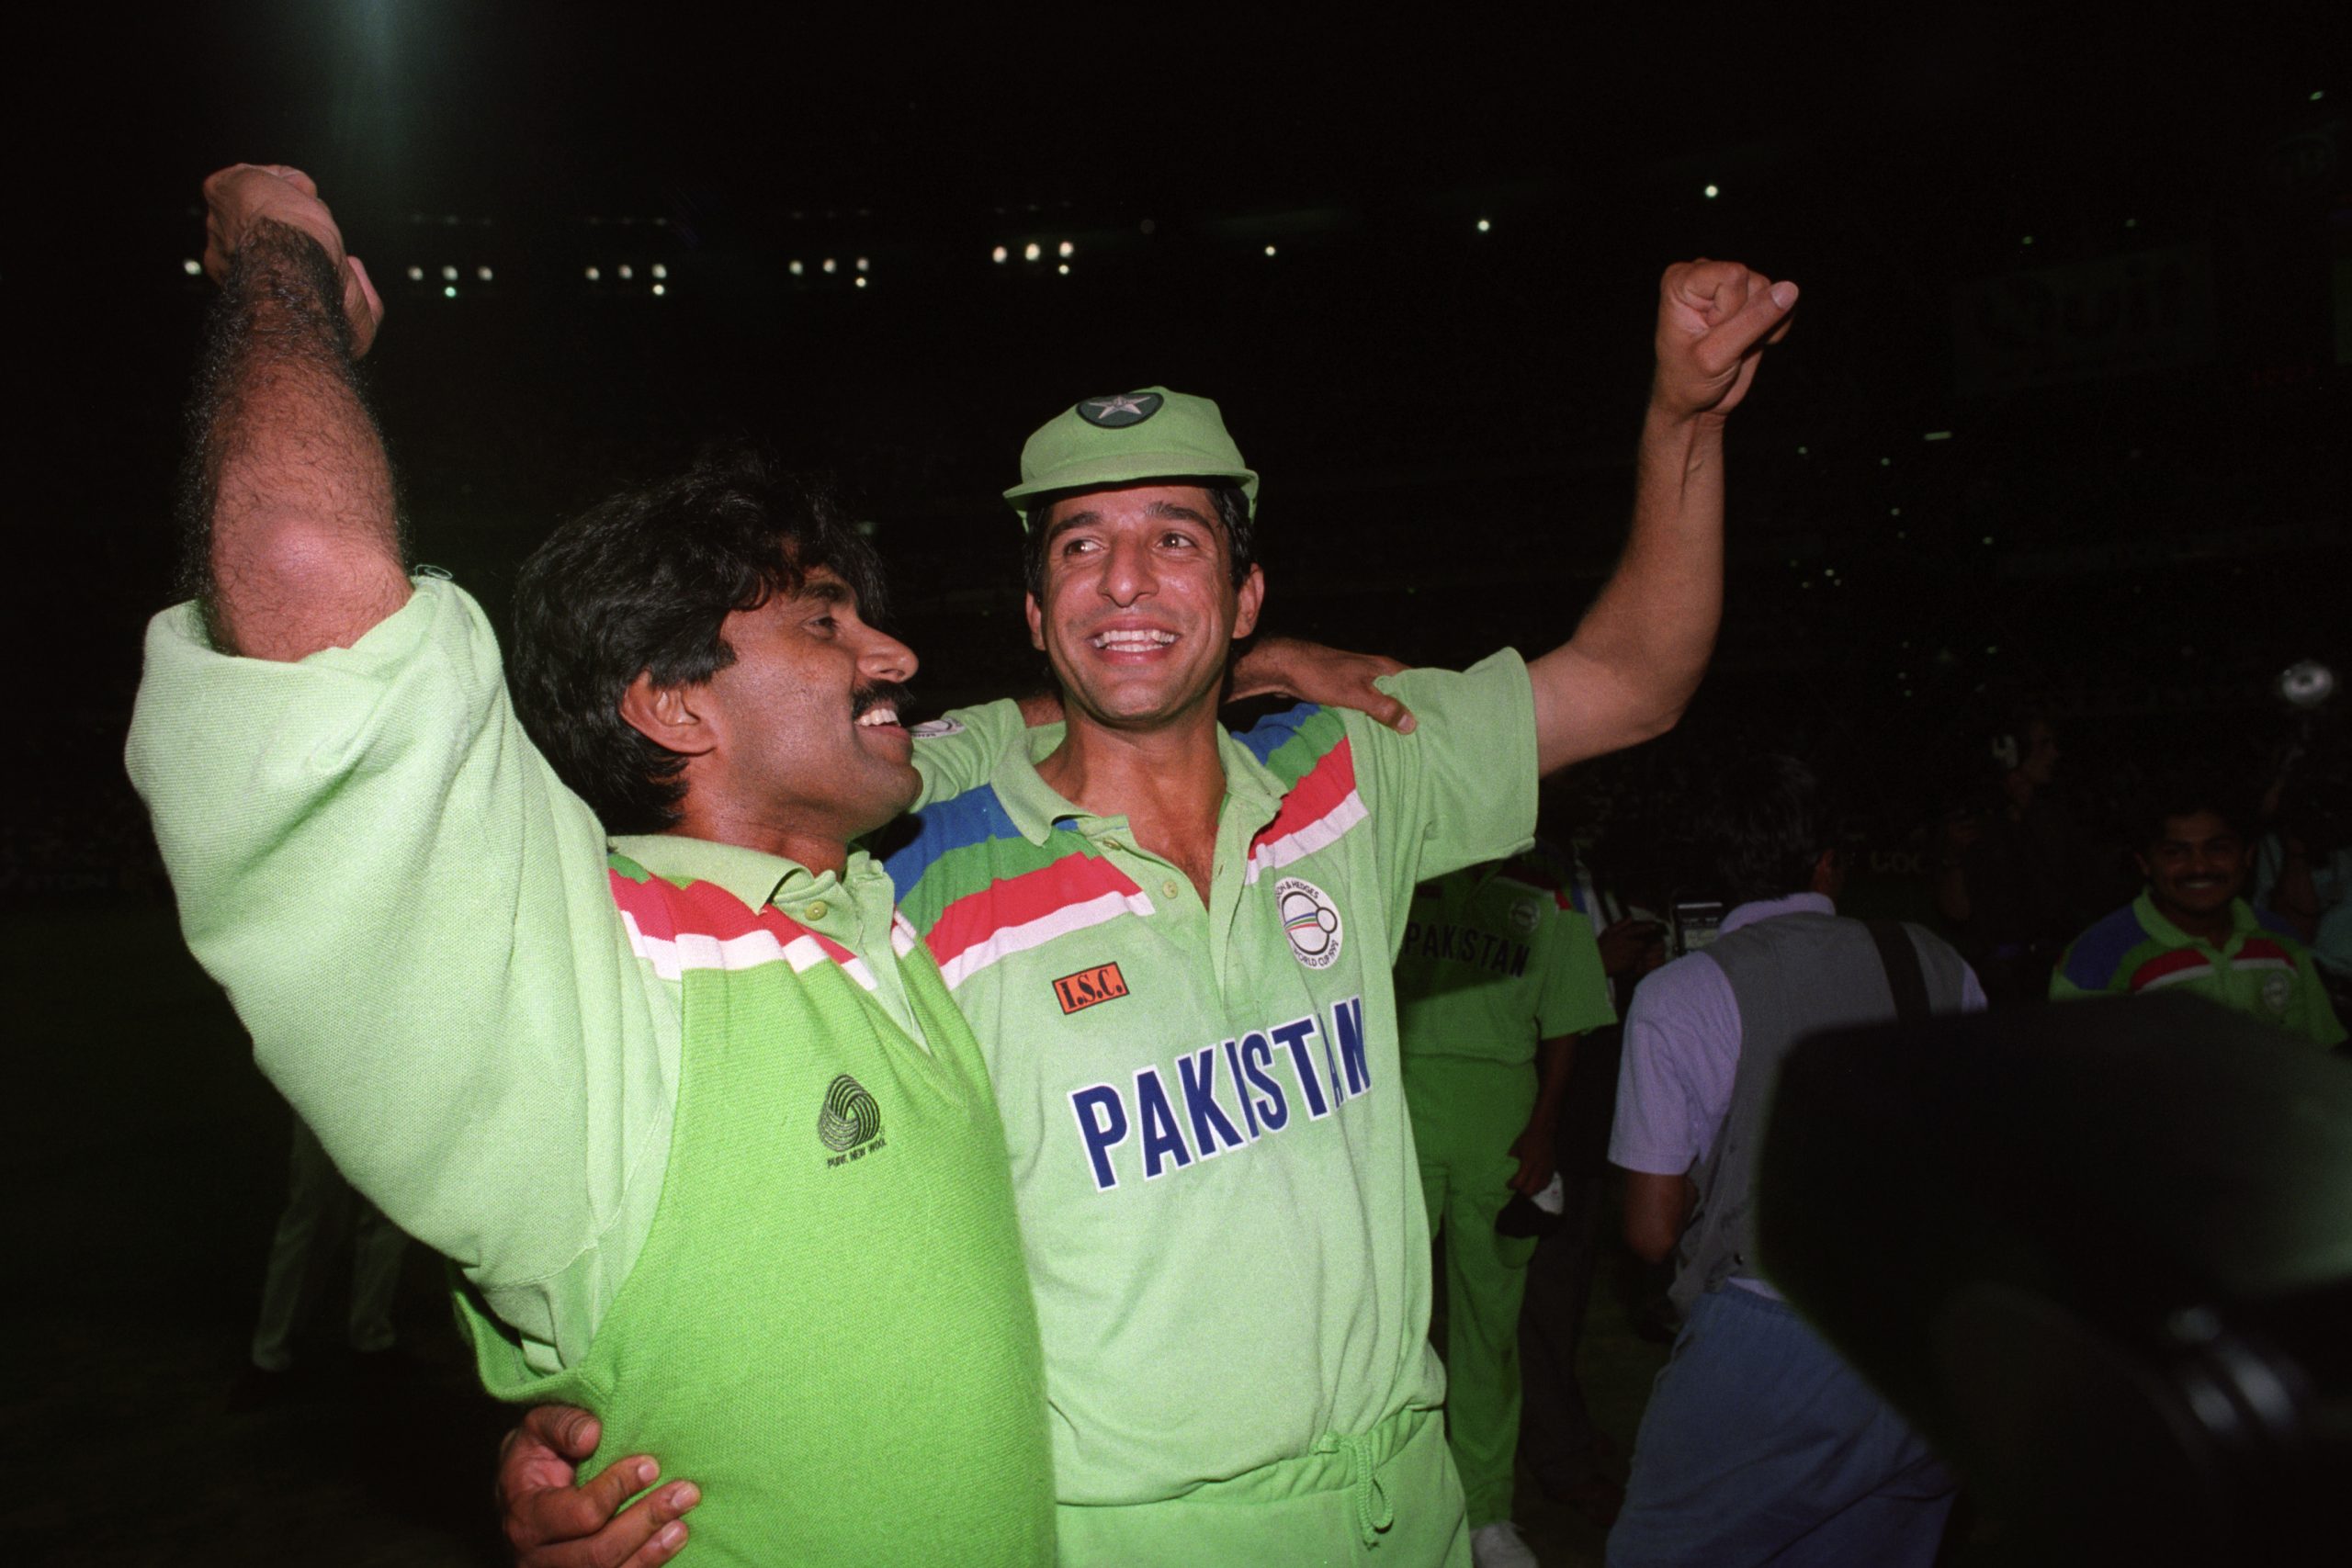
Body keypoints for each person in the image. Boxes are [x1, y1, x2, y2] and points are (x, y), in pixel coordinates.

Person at [507, 259, 1799, 1565]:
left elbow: (1634, 679)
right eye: (1081, 544)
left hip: (1406, 1505)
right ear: (1033, 609)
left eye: (1176, 538)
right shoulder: (909, 859)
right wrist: (578, 1418)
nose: (1126, 578)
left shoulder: (1355, 770)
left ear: (1243, 596)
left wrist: (1684, 417)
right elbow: (703, 1151)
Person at [127, 164, 1057, 1563]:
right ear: (671, 704)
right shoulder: (588, 972)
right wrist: (282, 262)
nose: (895, 651)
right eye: (823, 619)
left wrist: (1257, 666)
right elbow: (305, 571)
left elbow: (1077, 727)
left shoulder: (879, 892)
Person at [1606, 755, 1978, 1568]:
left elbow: (1650, 1226)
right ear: (1829, 861)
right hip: (1926, 1333)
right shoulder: (1939, 961)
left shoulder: (1681, 993)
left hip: (1773, 1336)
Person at [1394, 859, 1617, 1568]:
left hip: (1501, 1120)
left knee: (1490, 1325)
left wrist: (1544, 1126)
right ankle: (1392, 1498)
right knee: (1389, 1326)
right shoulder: (1404, 863)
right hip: (1402, 1109)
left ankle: (1488, 1510)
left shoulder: (1548, 891)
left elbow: (1567, 1025)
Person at [2051, 784, 2346, 1046]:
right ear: (2145, 864)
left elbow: (2316, 1053)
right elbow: (2080, 1084)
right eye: (2176, 853)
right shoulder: (2097, 956)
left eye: (2218, 849)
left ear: (2247, 858)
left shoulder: (2280, 942)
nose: (2199, 867)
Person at [240, 1111, 411, 1396]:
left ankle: (371, 1338)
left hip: (391, 1088)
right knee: (315, 1209)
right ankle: (271, 1352)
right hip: (325, 1083)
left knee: (389, 1212)